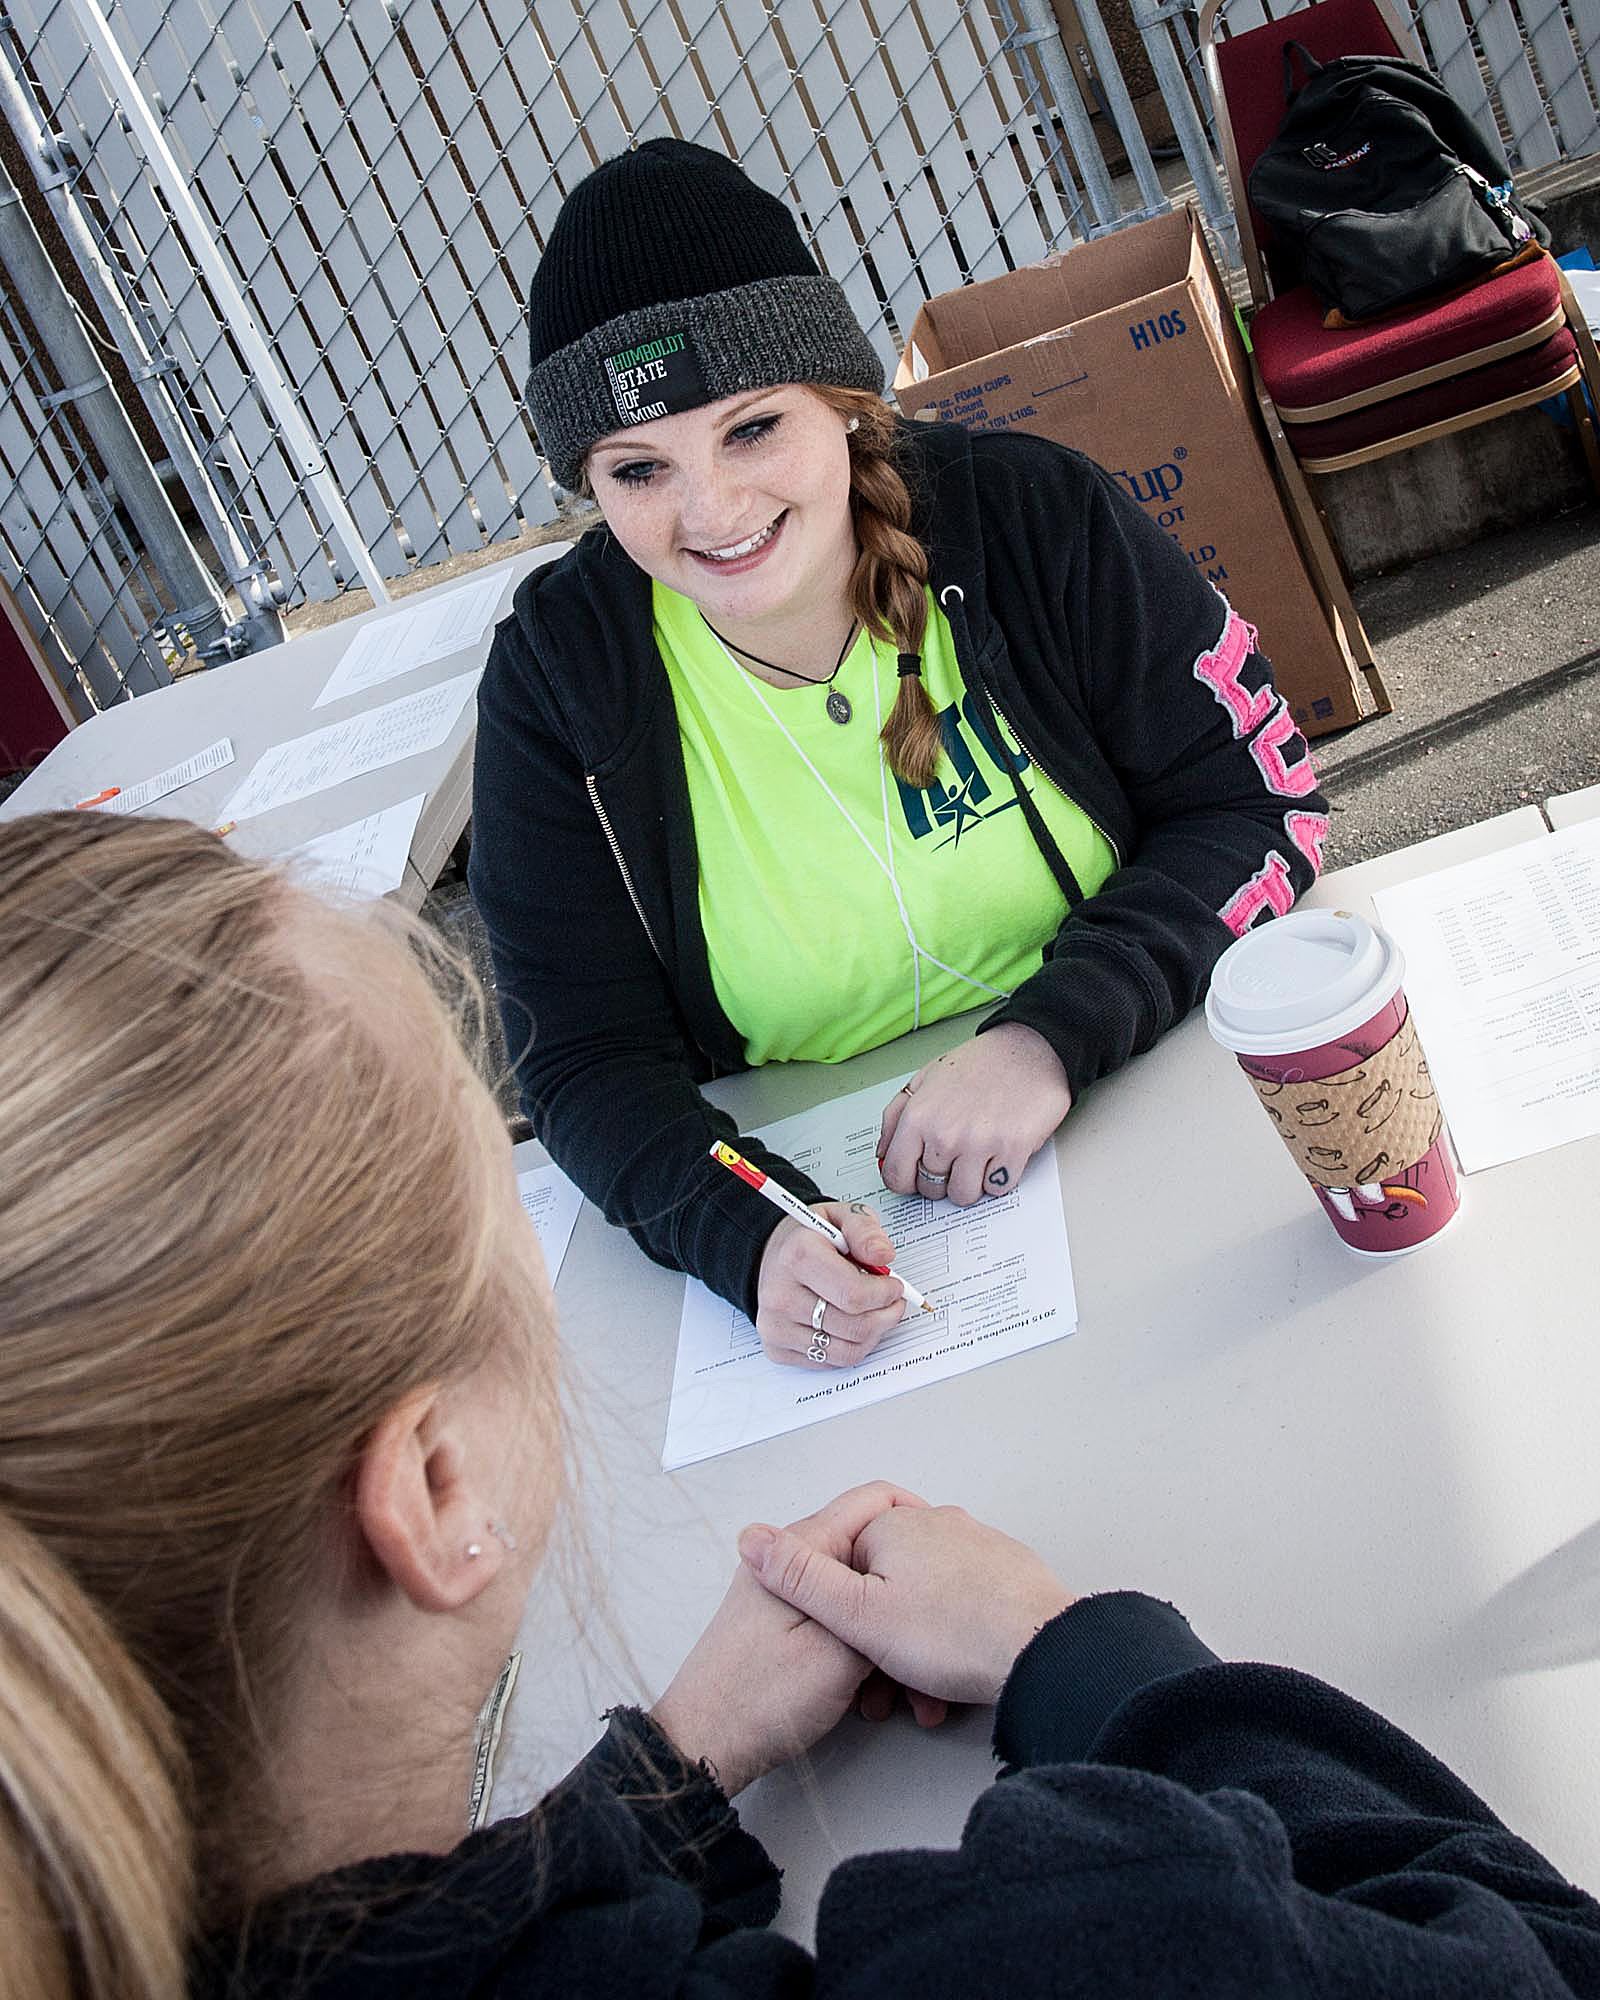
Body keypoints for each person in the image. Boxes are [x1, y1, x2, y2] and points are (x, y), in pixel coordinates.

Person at [2, 812, 1598, 2000]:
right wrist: (1085, 1659)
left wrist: (670, 1779)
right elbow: (1531, 1952)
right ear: (428, 1492)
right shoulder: (1103, 1948)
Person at [470, 138, 1332, 1368]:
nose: (709, 512)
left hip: (1152, 1076)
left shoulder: (1033, 519)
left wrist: (1047, 1035)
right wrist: (747, 1228)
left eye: (753, 428)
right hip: (872, 1229)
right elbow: (585, 1058)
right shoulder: (563, 672)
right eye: (637, 469)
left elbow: (1260, 803)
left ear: (838, 398)